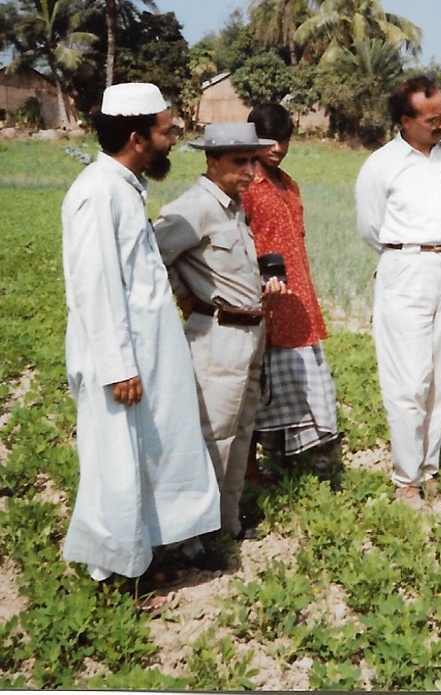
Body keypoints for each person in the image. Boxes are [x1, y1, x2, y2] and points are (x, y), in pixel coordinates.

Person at [61, 83, 220, 608]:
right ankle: (117, 569)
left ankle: (148, 556)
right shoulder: (96, 193)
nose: (174, 139)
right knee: (117, 463)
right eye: (167, 131)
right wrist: (116, 366)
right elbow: (95, 288)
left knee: (149, 456)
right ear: (136, 137)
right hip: (121, 361)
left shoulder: (125, 187)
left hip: (146, 353)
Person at [154, 122, 286, 550]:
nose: (249, 170)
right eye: (238, 162)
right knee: (212, 438)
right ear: (211, 162)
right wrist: (185, 297)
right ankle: (193, 542)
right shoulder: (194, 207)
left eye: (252, 161)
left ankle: (224, 528)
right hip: (216, 335)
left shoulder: (233, 207)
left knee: (240, 431)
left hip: (249, 333)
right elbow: (150, 255)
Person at [354, 75, 441, 511]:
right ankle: (406, 479)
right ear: (406, 120)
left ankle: (429, 467)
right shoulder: (381, 165)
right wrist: (404, 258)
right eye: (431, 118)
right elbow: (370, 226)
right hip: (404, 267)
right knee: (409, 379)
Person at [242, 103, 338, 481]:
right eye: (269, 140)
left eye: (284, 140)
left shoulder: (289, 185)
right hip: (262, 303)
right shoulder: (246, 185)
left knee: (295, 391)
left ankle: (287, 465)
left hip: (297, 302)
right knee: (256, 391)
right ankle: (249, 474)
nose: (278, 148)